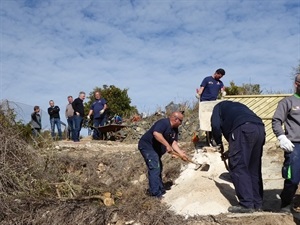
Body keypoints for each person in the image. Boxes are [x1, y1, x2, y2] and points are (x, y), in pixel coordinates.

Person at [211, 100, 265, 213]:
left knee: (238, 166)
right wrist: (232, 149)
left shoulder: (217, 107)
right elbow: (244, 142)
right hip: (260, 129)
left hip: (243, 129)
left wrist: (219, 143)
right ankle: (257, 204)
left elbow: (215, 126)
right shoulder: (239, 107)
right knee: (253, 168)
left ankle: (246, 204)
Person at [138, 111, 188, 198]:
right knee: (154, 167)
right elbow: (156, 133)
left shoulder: (175, 130)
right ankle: (155, 194)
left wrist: (180, 153)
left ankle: (160, 189)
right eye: (181, 121)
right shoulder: (163, 123)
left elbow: (174, 143)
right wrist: (167, 145)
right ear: (176, 119)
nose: (181, 123)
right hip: (147, 147)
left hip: (156, 150)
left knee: (158, 166)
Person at [272, 73, 300, 213]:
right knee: (293, 178)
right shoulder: (287, 102)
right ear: (296, 84)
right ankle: (285, 203)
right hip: (295, 145)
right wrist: (282, 137)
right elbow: (276, 121)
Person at [196, 68, 226, 146]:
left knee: (213, 120)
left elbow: (222, 89)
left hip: (213, 103)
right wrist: (199, 94)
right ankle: (208, 137)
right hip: (205, 103)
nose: (220, 77)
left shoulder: (220, 83)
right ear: (216, 73)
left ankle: (214, 138)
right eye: (219, 75)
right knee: (206, 120)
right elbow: (202, 88)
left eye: (221, 77)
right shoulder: (207, 79)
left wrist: (223, 92)